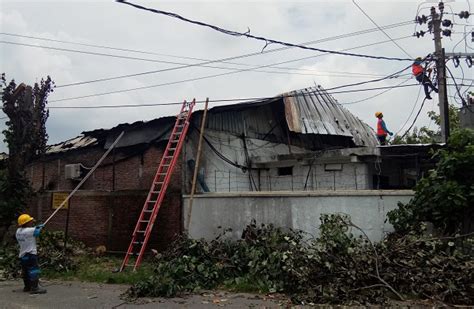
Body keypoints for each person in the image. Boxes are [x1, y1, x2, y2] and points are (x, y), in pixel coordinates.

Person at [15, 214, 47, 294]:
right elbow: (37, 233)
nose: (31, 222)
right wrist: (41, 227)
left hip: (23, 255)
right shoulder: (30, 230)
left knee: (25, 271)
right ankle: (35, 288)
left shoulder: (18, 231)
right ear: (26, 223)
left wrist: (38, 227)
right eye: (30, 221)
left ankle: (27, 287)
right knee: (33, 270)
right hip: (30, 254)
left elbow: (34, 231)